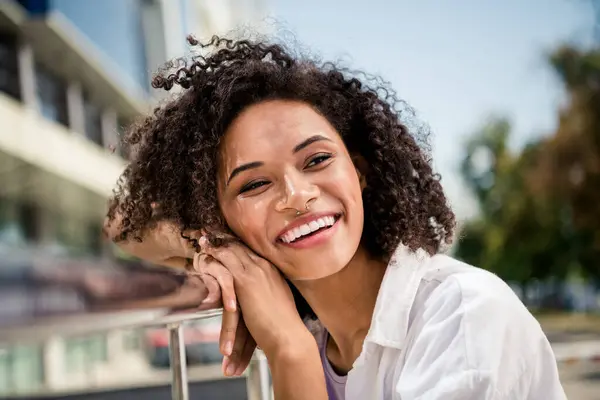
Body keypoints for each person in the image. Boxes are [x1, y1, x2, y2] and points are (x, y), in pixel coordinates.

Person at [104, 35, 566, 399]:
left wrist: (291, 355)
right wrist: (211, 244)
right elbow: (124, 228)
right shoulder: (323, 333)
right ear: (220, 215)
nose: (296, 196)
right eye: (254, 185)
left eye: (316, 160)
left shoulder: (460, 316)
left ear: (360, 171)